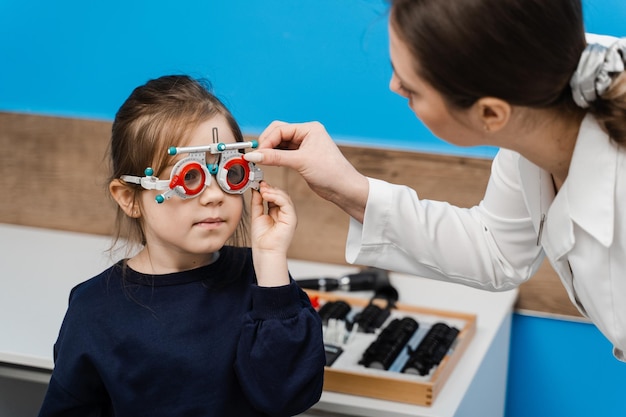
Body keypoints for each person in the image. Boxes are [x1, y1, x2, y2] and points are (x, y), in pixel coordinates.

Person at [243, 0, 626, 361]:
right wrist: (348, 188)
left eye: (411, 88)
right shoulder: (533, 92)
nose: (395, 85)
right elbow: (496, 248)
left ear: (490, 114)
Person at [38, 75, 326, 417]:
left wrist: (272, 260)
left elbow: (288, 396)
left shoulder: (262, 279)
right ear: (129, 198)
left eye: (230, 172)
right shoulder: (94, 310)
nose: (216, 196)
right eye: (189, 176)